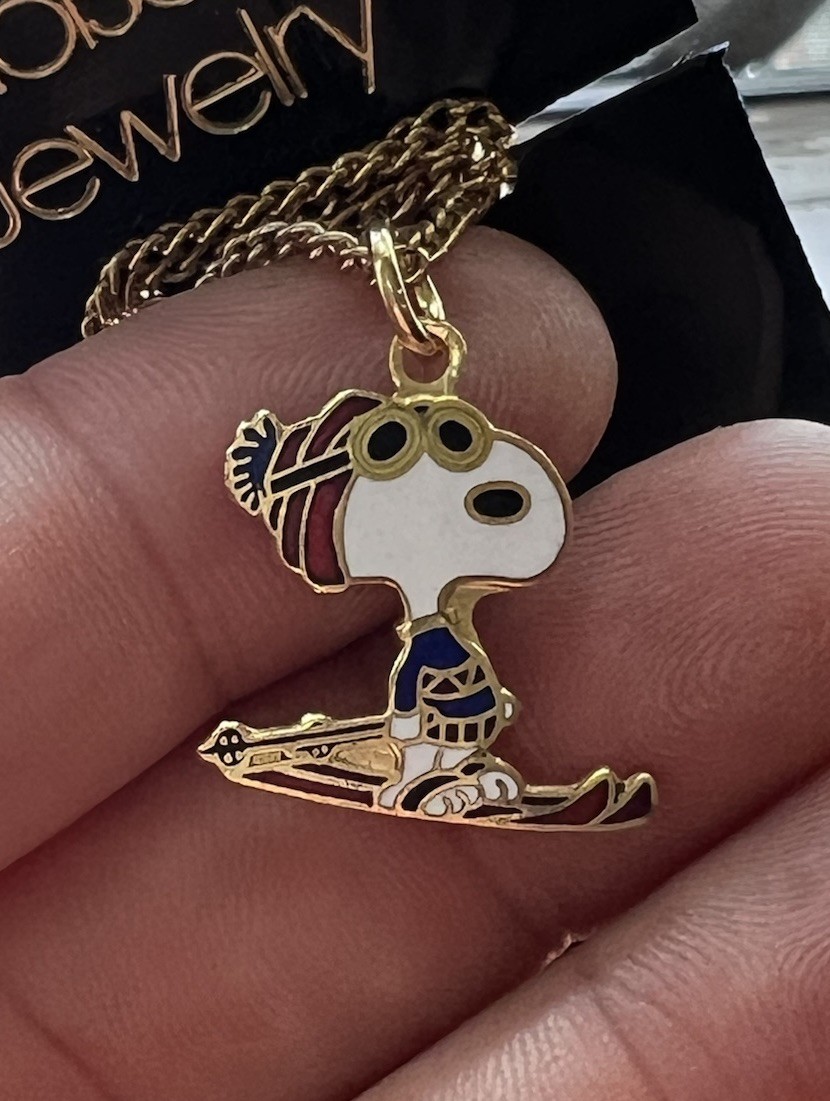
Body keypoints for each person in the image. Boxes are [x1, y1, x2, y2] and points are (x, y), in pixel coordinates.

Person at [0, 228, 828, 1098]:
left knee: (451, 704)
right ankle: (430, 774)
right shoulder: (420, 622)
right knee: (434, 714)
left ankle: (442, 766)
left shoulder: (445, 616)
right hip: (422, 719)